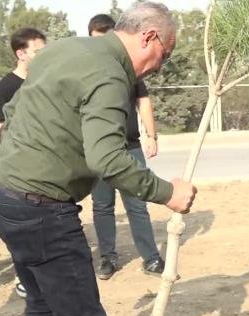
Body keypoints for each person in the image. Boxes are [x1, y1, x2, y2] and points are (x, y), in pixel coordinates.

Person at [0, 2, 195, 316]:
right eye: (165, 55)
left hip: (3, 195)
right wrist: (166, 193)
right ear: (149, 38)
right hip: (43, 211)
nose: (158, 68)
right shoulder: (110, 75)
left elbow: (15, 107)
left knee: (41, 304)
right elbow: (108, 158)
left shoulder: (65, 49)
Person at [87, 13, 166, 280]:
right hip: (99, 148)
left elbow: (143, 102)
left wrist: (151, 135)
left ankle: (151, 257)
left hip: (129, 147)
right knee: (102, 206)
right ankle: (107, 258)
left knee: (137, 204)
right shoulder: (88, 70)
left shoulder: (129, 69)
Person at [0, 26, 46, 298]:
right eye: (38, 51)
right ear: (21, 53)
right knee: (23, 228)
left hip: (48, 166)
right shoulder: (5, 89)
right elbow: (6, 132)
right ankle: (24, 277)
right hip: (21, 169)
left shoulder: (46, 80)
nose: (43, 55)